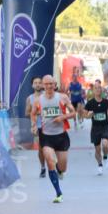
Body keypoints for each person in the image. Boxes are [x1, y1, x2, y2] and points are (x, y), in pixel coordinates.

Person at [32, 74, 74, 202]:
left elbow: (73, 112)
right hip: (46, 137)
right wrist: (33, 125)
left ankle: (60, 171)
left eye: (51, 84)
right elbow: (33, 114)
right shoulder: (38, 100)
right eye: (46, 84)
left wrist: (62, 117)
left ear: (55, 85)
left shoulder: (62, 97)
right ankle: (58, 193)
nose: (49, 86)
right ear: (43, 86)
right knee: (50, 161)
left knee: (62, 167)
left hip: (61, 136)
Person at [82, 81, 108, 175]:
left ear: (102, 90)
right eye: (96, 88)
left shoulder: (106, 102)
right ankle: (100, 165)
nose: (98, 90)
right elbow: (84, 114)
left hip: (105, 127)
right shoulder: (90, 103)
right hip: (95, 129)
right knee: (97, 149)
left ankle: (106, 157)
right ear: (93, 90)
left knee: (105, 144)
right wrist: (88, 115)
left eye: (99, 88)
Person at [25, 77, 47, 177]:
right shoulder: (30, 98)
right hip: (37, 126)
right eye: (35, 83)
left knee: (51, 148)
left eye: (39, 83)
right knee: (41, 149)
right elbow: (26, 113)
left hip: (49, 126)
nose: (37, 84)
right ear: (32, 85)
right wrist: (36, 112)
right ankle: (43, 167)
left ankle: (53, 163)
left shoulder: (47, 96)